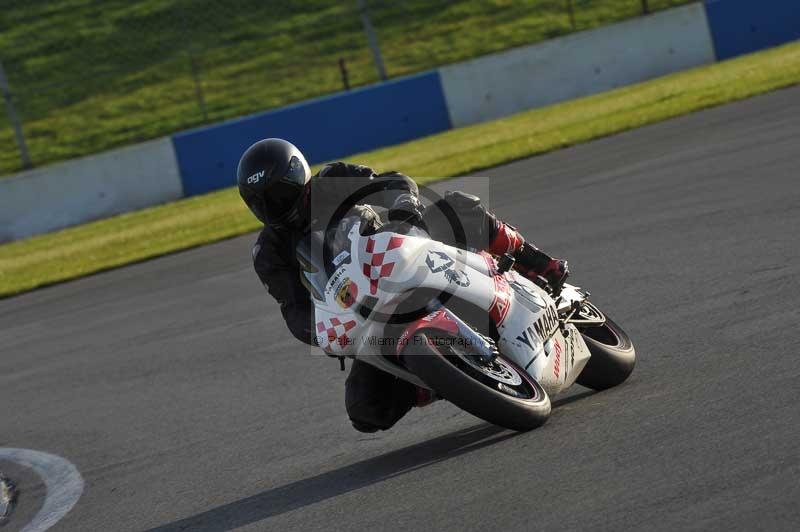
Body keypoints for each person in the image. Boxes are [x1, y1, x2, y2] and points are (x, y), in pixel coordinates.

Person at [237, 138, 568, 433]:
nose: (274, 207)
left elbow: (392, 182)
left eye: (280, 194)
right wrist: (322, 332)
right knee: (365, 411)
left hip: (404, 254)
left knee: (457, 207)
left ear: (300, 178)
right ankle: (436, 379)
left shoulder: (332, 180)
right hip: (364, 309)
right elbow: (293, 308)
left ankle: (536, 261)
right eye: (261, 202)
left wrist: (405, 208)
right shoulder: (268, 253)